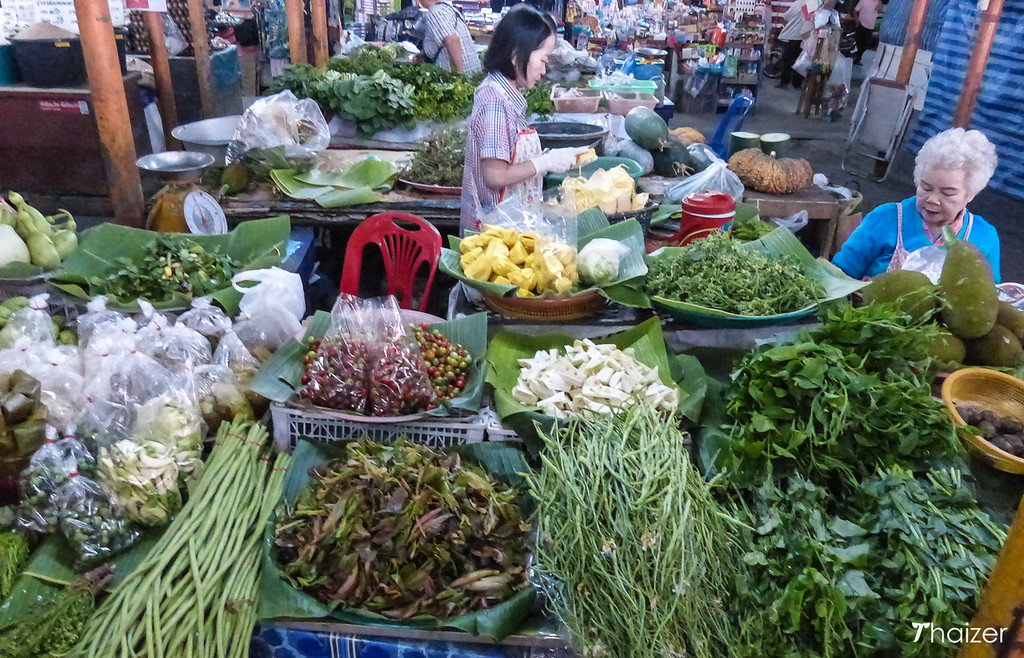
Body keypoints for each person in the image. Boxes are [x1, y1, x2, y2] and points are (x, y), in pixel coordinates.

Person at [460, 5, 589, 233]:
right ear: (516, 56)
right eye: (542, 60)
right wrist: (544, 163)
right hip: (493, 234)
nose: (544, 70)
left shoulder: (506, 96)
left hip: (510, 226)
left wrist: (551, 158)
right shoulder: (495, 102)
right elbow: (495, 176)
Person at [833, 128, 1001, 282]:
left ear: (971, 194)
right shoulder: (885, 219)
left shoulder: (984, 237)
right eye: (926, 187)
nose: (932, 199)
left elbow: (990, 296)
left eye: (947, 193)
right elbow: (837, 276)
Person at [418, 0, 482, 74]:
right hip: (472, 73)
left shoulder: (435, 12)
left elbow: (452, 40)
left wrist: (457, 74)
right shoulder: (446, 8)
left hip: (461, 75)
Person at [777, 0, 814, 89]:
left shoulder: (799, 2)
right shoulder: (814, 3)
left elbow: (786, 16)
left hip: (793, 35)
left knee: (788, 61)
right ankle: (797, 84)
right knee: (800, 62)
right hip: (805, 37)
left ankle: (784, 82)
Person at [852, 0, 881, 64]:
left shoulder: (877, 2)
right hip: (862, 24)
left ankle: (857, 57)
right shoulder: (863, 1)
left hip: (870, 26)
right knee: (859, 42)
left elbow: (879, 9)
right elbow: (855, 11)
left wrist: (879, 2)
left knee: (866, 44)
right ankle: (856, 57)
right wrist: (857, 21)